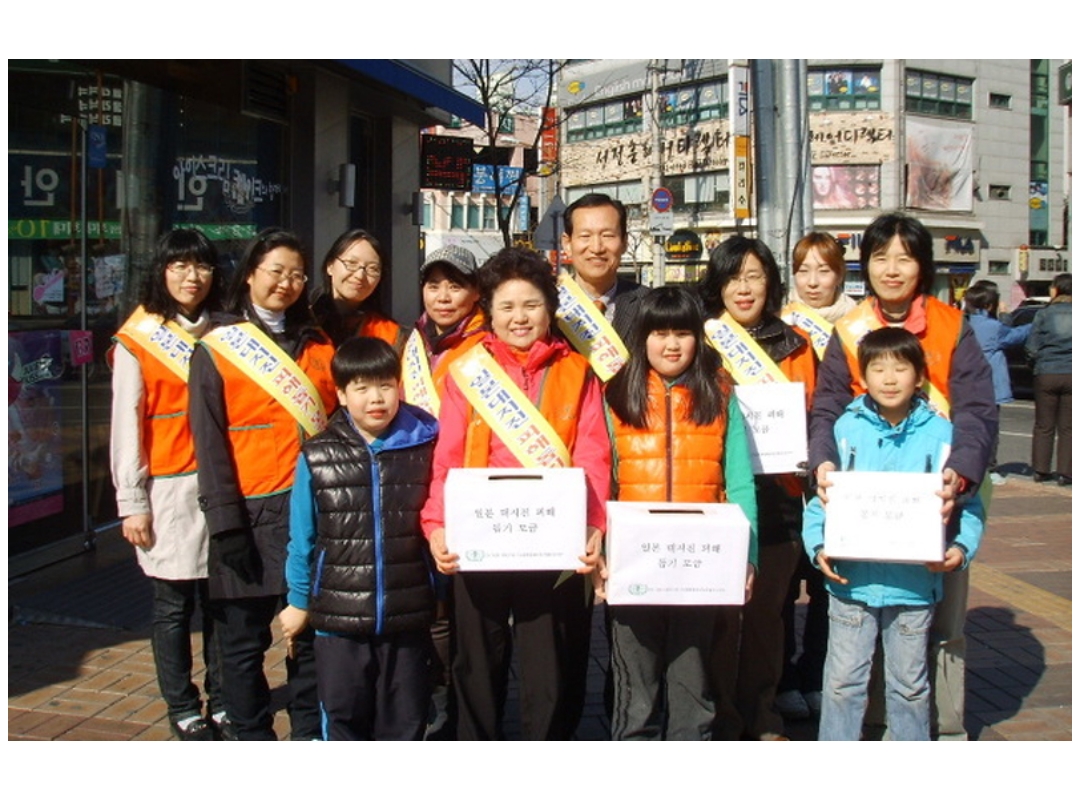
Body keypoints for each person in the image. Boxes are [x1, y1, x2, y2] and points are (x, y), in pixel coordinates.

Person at [809, 211, 996, 741]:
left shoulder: (951, 324)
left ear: (922, 265)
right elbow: (825, 408)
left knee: (939, 624)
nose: (891, 269)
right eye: (879, 257)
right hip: (862, 502)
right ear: (864, 264)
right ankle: (867, 726)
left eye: (904, 257)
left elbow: (978, 411)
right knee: (854, 639)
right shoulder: (848, 331)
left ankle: (938, 728)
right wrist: (823, 461)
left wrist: (960, 475)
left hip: (939, 493)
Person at [422, 247, 612, 739]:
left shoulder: (577, 371)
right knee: (476, 665)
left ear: (549, 309)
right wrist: (436, 524)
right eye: (506, 307)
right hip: (480, 536)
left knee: (550, 670)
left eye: (531, 305)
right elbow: (447, 455)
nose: (519, 317)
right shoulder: (467, 371)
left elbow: (593, 453)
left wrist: (594, 524)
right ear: (489, 312)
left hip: (554, 542)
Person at [189, 228, 338, 740]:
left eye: (297, 274)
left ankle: (307, 735)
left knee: (312, 639)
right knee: (242, 644)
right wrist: (224, 523)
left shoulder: (318, 343)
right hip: (248, 514)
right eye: (276, 271)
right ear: (251, 273)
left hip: (314, 513)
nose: (287, 283)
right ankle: (251, 737)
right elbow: (207, 442)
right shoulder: (218, 346)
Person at [595, 286, 758, 740]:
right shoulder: (616, 396)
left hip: (699, 567)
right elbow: (603, 480)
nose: (671, 344)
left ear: (698, 338)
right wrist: (601, 553)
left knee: (694, 691)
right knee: (636, 694)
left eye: (683, 333)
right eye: (659, 332)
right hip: (634, 566)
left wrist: (749, 555)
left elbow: (740, 482)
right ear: (641, 337)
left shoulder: (721, 394)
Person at [280, 337, 438, 740]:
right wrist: (298, 602)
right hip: (338, 619)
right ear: (341, 393)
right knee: (344, 717)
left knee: (405, 722)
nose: (376, 398)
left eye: (385, 385)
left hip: (407, 613)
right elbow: (303, 539)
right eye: (362, 388)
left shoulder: (426, 444)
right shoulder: (317, 455)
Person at [697, 235, 818, 740]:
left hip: (780, 498)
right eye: (731, 277)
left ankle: (762, 715)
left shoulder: (797, 345)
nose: (742, 289)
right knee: (721, 618)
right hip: (719, 496)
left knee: (768, 618)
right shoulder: (703, 342)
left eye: (753, 276)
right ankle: (722, 716)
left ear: (770, 282)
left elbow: (813, 415)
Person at [110, 229, 228, 740]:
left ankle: (224, 700)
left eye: (200, 266)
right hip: (169, 488)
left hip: (224, 485)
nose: (191, 276)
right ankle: (182, 704)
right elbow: (126, 423)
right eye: (179, 265)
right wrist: (131, 501)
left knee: (224, 604)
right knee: (173, 606)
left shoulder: (227, 330)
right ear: (160, 272)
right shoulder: (139, 338)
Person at [401, 243, 486, 740]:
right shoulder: (410, 341)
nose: (443, 295)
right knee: (423, 601)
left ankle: (451, 708)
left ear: (475, 292)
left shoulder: (484, 345)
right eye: (434, 284)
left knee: (453, 608)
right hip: (411, 488)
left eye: (455, 284)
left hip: (462, 491)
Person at [774, 232, 858, 722]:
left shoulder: (859, 327)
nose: (812, 281)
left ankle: (818, 674)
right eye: (803, 269)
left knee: (831, 584)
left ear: (840, 273)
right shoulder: (778, 325)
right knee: (784, 585)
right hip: (786, 474)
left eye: (823, 270)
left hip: (840, 471)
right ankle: (784, 676)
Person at [963, 280, 1032, 484]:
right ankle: (990, 469)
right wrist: (1010, 316)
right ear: (990, 305)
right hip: (990, 385)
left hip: (966, 383)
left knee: (968, 427)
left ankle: (968, 466)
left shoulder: (962, 324)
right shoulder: (993, 326)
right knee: (990, 428)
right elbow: (1015, 336)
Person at [560, 192, 648, 342]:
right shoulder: (550, 304)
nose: (596, 248)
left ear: (624, 242)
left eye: (607, 236)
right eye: (585, 236)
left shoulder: (648, 304)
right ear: (567, 244)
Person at [312, 228, 408, 352]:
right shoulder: (305, 323)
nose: (360, 275)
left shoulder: (392, 335)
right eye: (351, 263)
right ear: (330, 266)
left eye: (372, 268)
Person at [1026, 273, 1071, 486]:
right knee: (1069, 427)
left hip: (1046, 371)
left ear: (1057, 289)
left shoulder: (1044, 314)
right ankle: (1066, 472)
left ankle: (1041, 470)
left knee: (1044, 425)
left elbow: (1032, 346)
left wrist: (1034, 364)